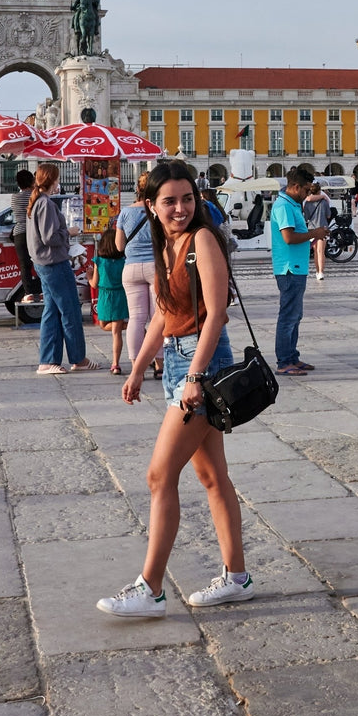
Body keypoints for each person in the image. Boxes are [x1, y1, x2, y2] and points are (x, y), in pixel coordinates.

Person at [98, 160, 253, 617]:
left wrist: (195, 376)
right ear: (150, 205)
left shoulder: (203, 240)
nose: (181, 208)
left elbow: (217, 313)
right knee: (211, 476)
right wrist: (136, 367)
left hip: (202, 364)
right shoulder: (167, 246)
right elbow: (164, 314)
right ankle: (237, 577)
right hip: (179, 362)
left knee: (159, 475)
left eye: (188, 198)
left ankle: (151, 588)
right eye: (169, 201)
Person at [26, 162, 100, 374]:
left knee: (52, 311)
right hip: (53, 263)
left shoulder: (36, 202)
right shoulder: (46, 204)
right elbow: (50, 237)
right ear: (52, 180)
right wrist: (70, 232)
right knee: (70, 311)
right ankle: (78, 357)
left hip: (43, 263)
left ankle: (48, 360)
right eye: (57, 178)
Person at [271, 167, 328, 375]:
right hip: (289, 269)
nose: (307, 194)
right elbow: (288, 237)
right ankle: (284, 361)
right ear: (295, 187)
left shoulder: (292, 204)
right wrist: (316, 233)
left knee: (295, 315)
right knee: (288, 316)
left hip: (296, 267)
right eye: (305, 189)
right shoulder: (284, 206)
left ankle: (292, 357)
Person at [116, 172, 164, 380]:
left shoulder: (125, 212)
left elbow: (119, 246)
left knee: (135, 318)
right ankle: (159, 364)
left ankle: (137, 366)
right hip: (154, 266)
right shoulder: (157, 211)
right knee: (156, 317)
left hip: (131, 267)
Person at [87, 226, 129, 374]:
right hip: (120, 295)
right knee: (108, 326)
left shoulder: (99, 261)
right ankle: (132, 327)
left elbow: (94, 283)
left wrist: (89, 275)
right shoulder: (123, 261)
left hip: (105, 296)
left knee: (110, 328)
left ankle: (115, 363)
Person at [11, 170, 42, 304]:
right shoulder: (35, 195)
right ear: (31, 181)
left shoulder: (14, 197)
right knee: (40, 262)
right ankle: (41, 290)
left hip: (19, 232)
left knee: (24, 266)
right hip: (33, 231)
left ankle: (28, 293)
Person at [302, 181, 331, 280]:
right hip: (323, 228)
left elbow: (305, 217)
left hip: (312, 228)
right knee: (321, 251)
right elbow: (328, 215)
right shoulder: (324, 202)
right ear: (319, 191)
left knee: (315, 251)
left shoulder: (307, 203)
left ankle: (317, 271)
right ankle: (321, 273)